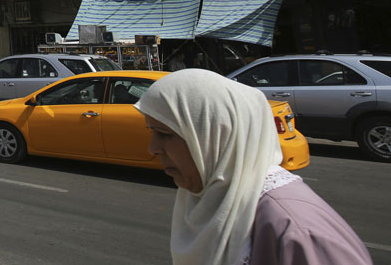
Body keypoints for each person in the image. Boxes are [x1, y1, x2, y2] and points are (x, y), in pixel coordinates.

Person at [136, 69, 371, 265]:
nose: (152, 148)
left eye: (165, 134)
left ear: (218, 135)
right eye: (152, 132)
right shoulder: (206, 195)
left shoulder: (297, 231)